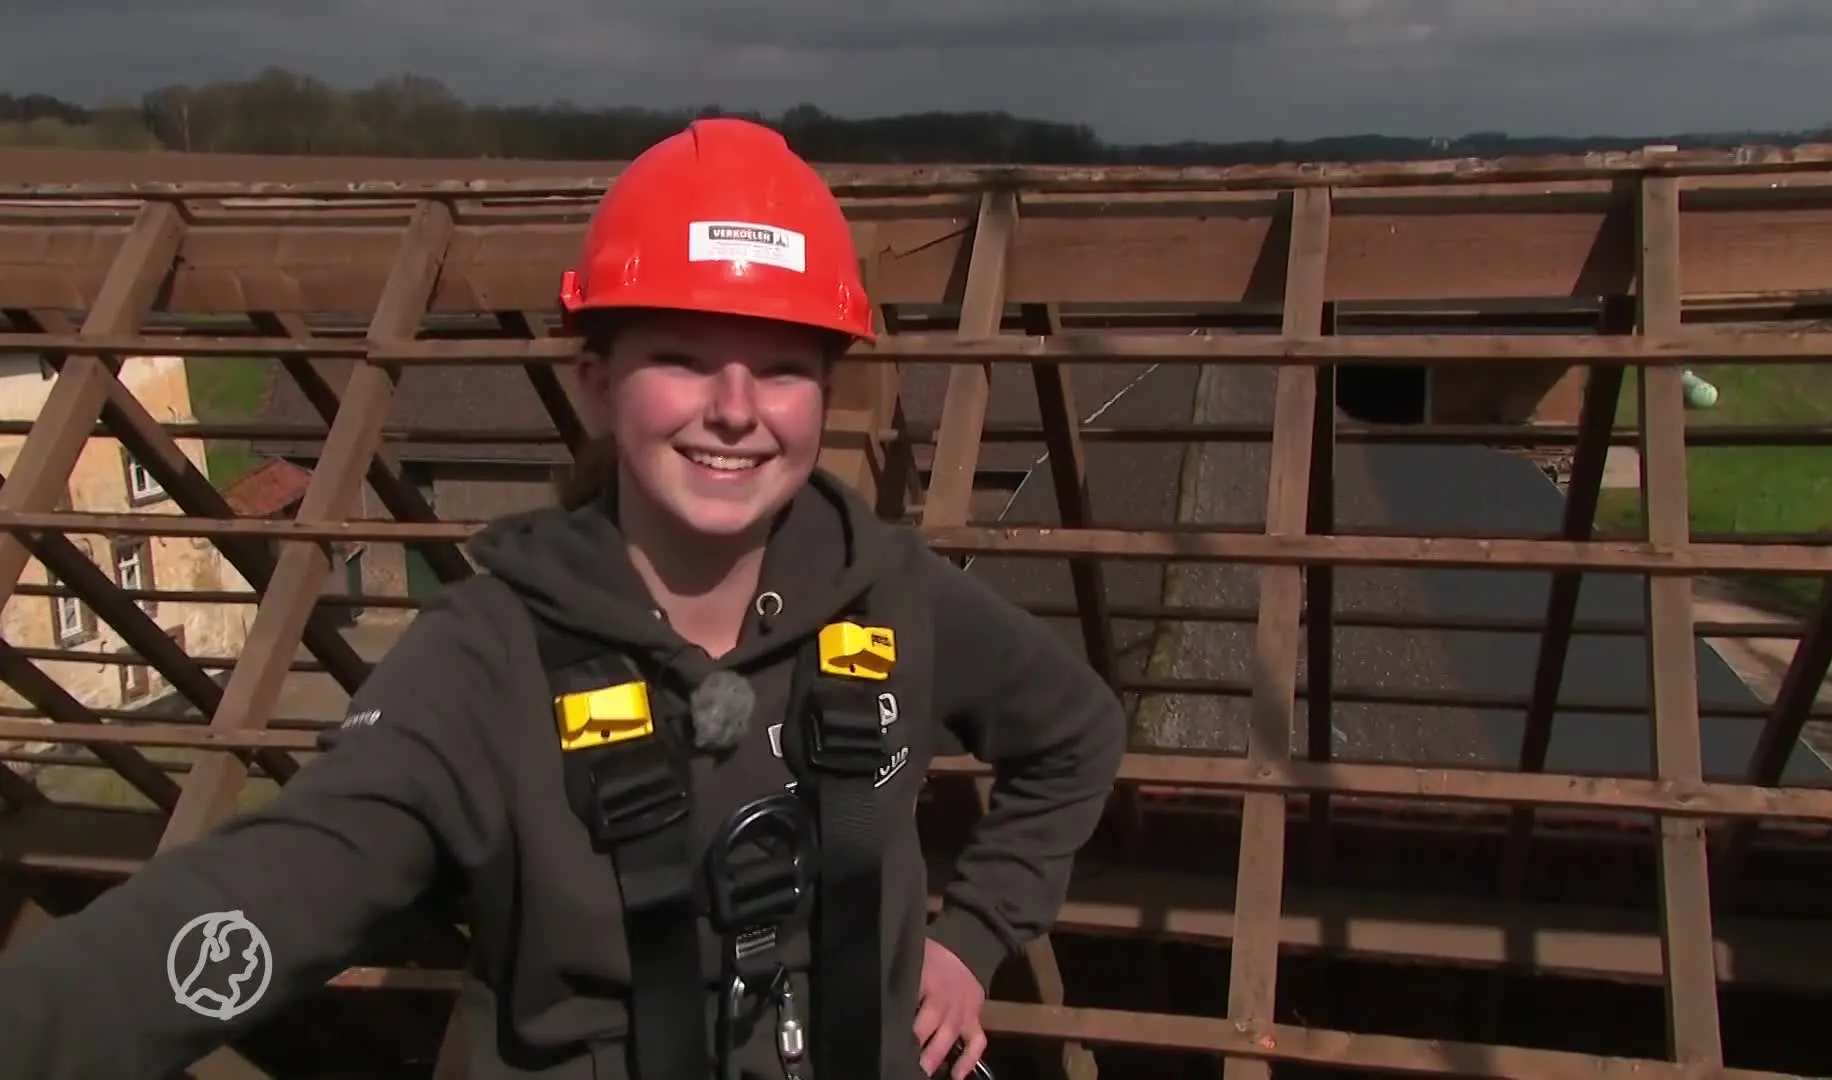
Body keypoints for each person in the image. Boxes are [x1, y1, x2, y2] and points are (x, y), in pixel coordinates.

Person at [0, 117, 1126, 1080]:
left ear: (822, 397)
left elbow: (1074, 731)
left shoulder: (888, 596)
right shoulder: (487, 666)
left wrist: (971, 939)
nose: (735, 409)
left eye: (782, 366)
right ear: (598, 383)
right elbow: (278, 883)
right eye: (682, 356)